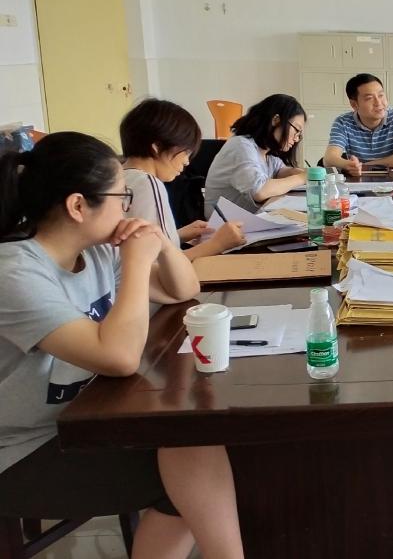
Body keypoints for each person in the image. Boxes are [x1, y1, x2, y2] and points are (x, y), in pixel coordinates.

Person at [0, 133, 245, 558]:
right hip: (22, 448)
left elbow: (184, 290)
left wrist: (160, 242)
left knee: (198, 447)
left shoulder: (93, 252)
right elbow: (119, 357)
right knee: (195, 465)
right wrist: (135, 261)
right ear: (78, 206)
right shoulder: (15, 272)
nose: (127, 209)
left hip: (88, 417)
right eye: (121, 197)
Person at [120, 98, 246, 259]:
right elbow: (163, 264)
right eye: (186, 152)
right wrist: (218, 244)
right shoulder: (149, 184)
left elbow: (141, 244)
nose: (187, 161)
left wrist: (177, 234)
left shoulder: (121, 178)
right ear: (157, 147)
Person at [204, 94, 306, 217]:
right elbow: (259, 191)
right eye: (296, 130)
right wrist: (302, 178)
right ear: (276, 120)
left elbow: (281, 171)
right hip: (223, 224)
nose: (296, 139)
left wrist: (308, 173)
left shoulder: (266, 152)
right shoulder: (240, 146)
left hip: (245, 221)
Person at [323, 73, 393, 176]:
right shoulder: (343, 122)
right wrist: (350, 165)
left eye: (381, 95)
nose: (378, 103)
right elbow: (329, 159)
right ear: (354, 104)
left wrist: (364, 166)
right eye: (369, 98)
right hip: (359, 180)